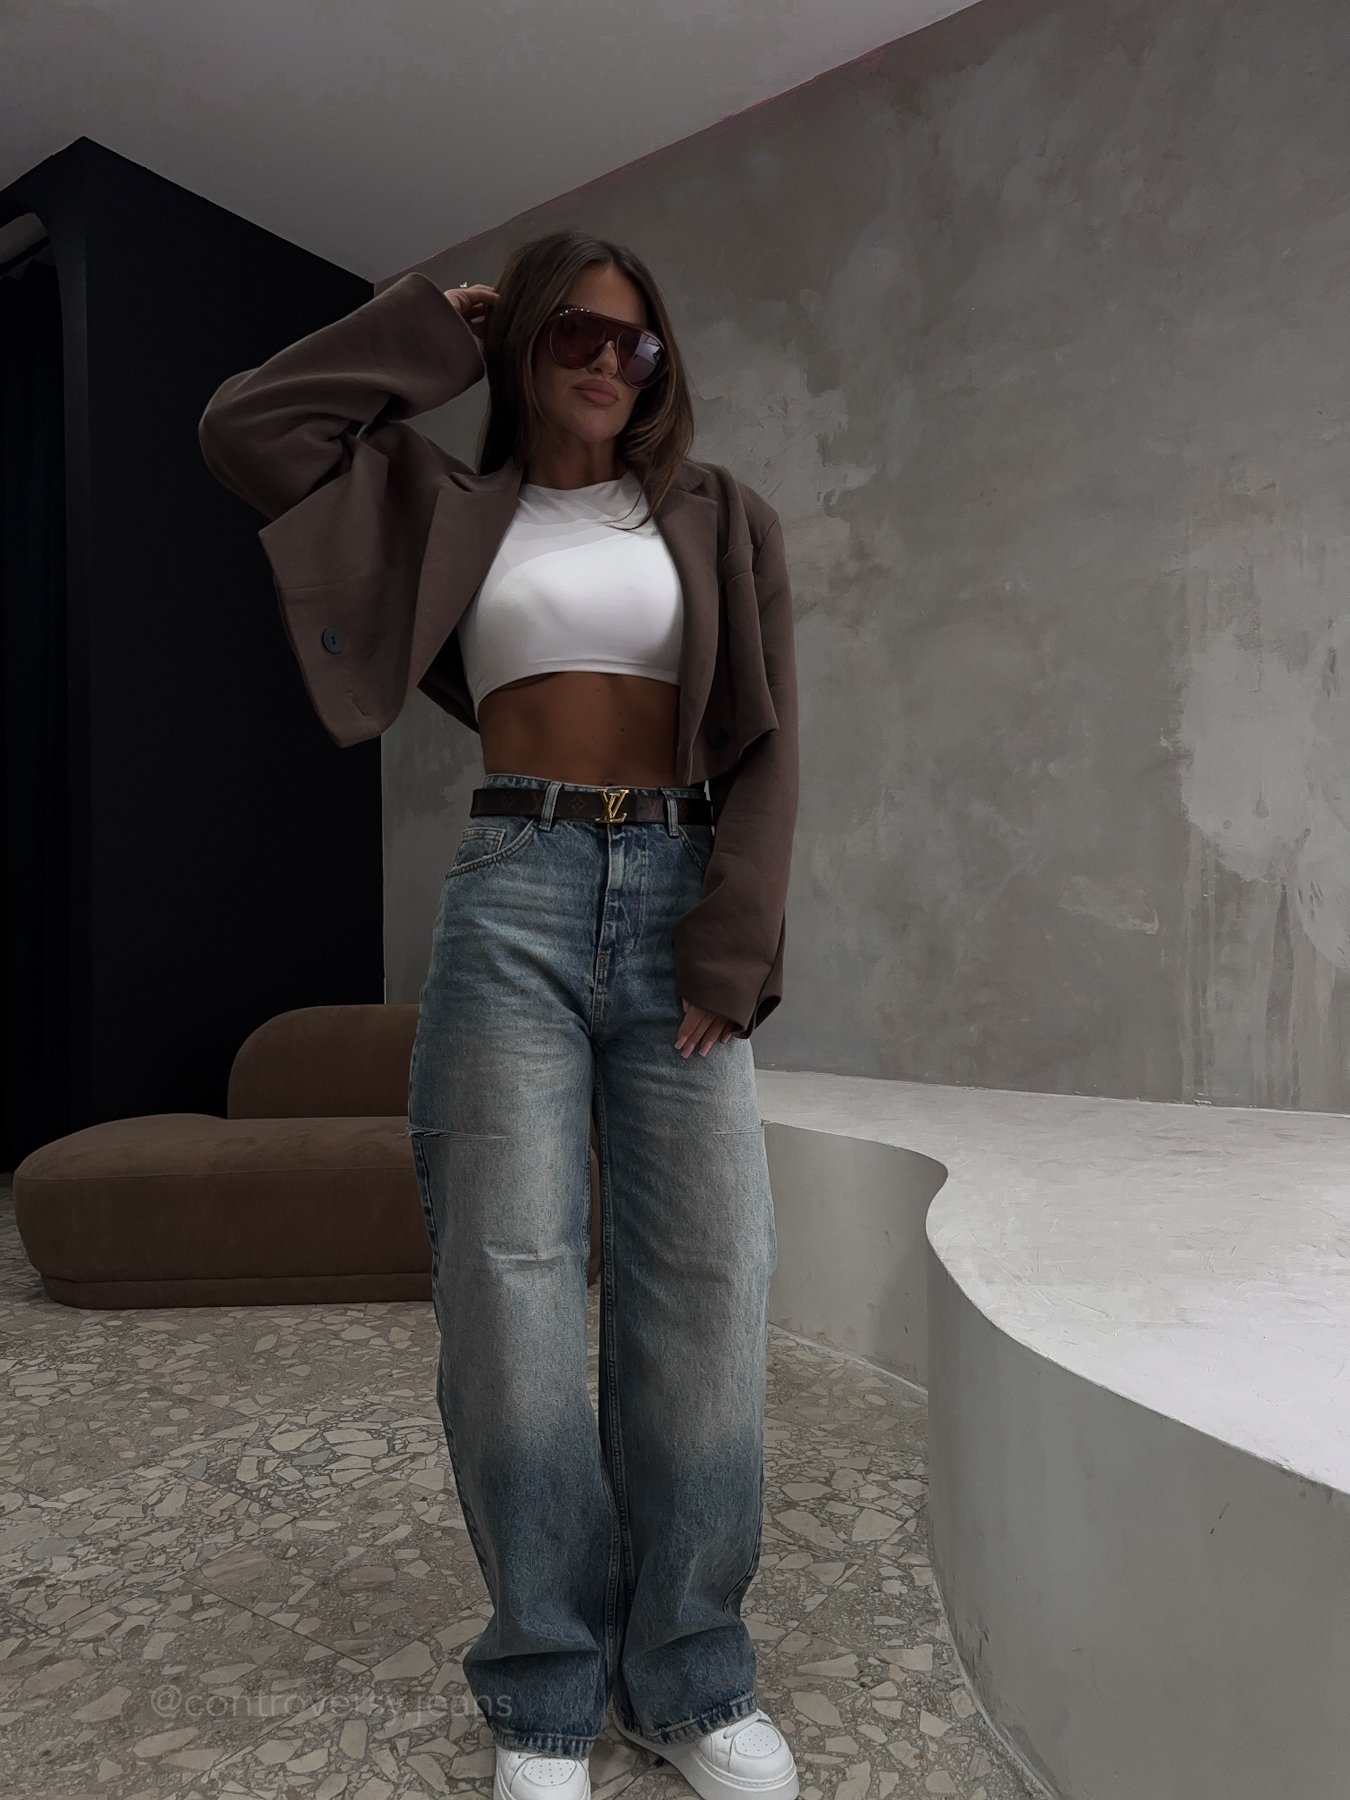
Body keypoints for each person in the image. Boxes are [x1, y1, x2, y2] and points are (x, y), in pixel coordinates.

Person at [198, 228, 799, 1800]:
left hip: (676, 893)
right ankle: (542, 1689)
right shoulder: (443, 504)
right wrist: (423, 330)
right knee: (508, 1288)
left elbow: (765, 743)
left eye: (634, 343)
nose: (606, 363)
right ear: (522, 345)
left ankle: (689, 1676)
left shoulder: (719, 513)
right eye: (572, 335)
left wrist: (731, 949)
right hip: (512, 889)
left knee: (708, 1282)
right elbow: (248, 428)